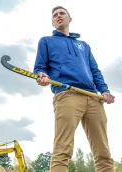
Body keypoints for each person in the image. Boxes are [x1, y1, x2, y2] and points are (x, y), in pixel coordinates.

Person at [33, 6, 115, 172]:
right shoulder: (46, 41)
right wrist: (41, 76)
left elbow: (95, 71)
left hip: (93, 97)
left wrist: (104, 90)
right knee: (62, 149)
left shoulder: (83, 45)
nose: (58, 16)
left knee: (103, 152)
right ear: (52, 22)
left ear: (70, 19)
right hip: (67, 95)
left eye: (62, 13)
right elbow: (40, 67)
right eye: (55, 15)